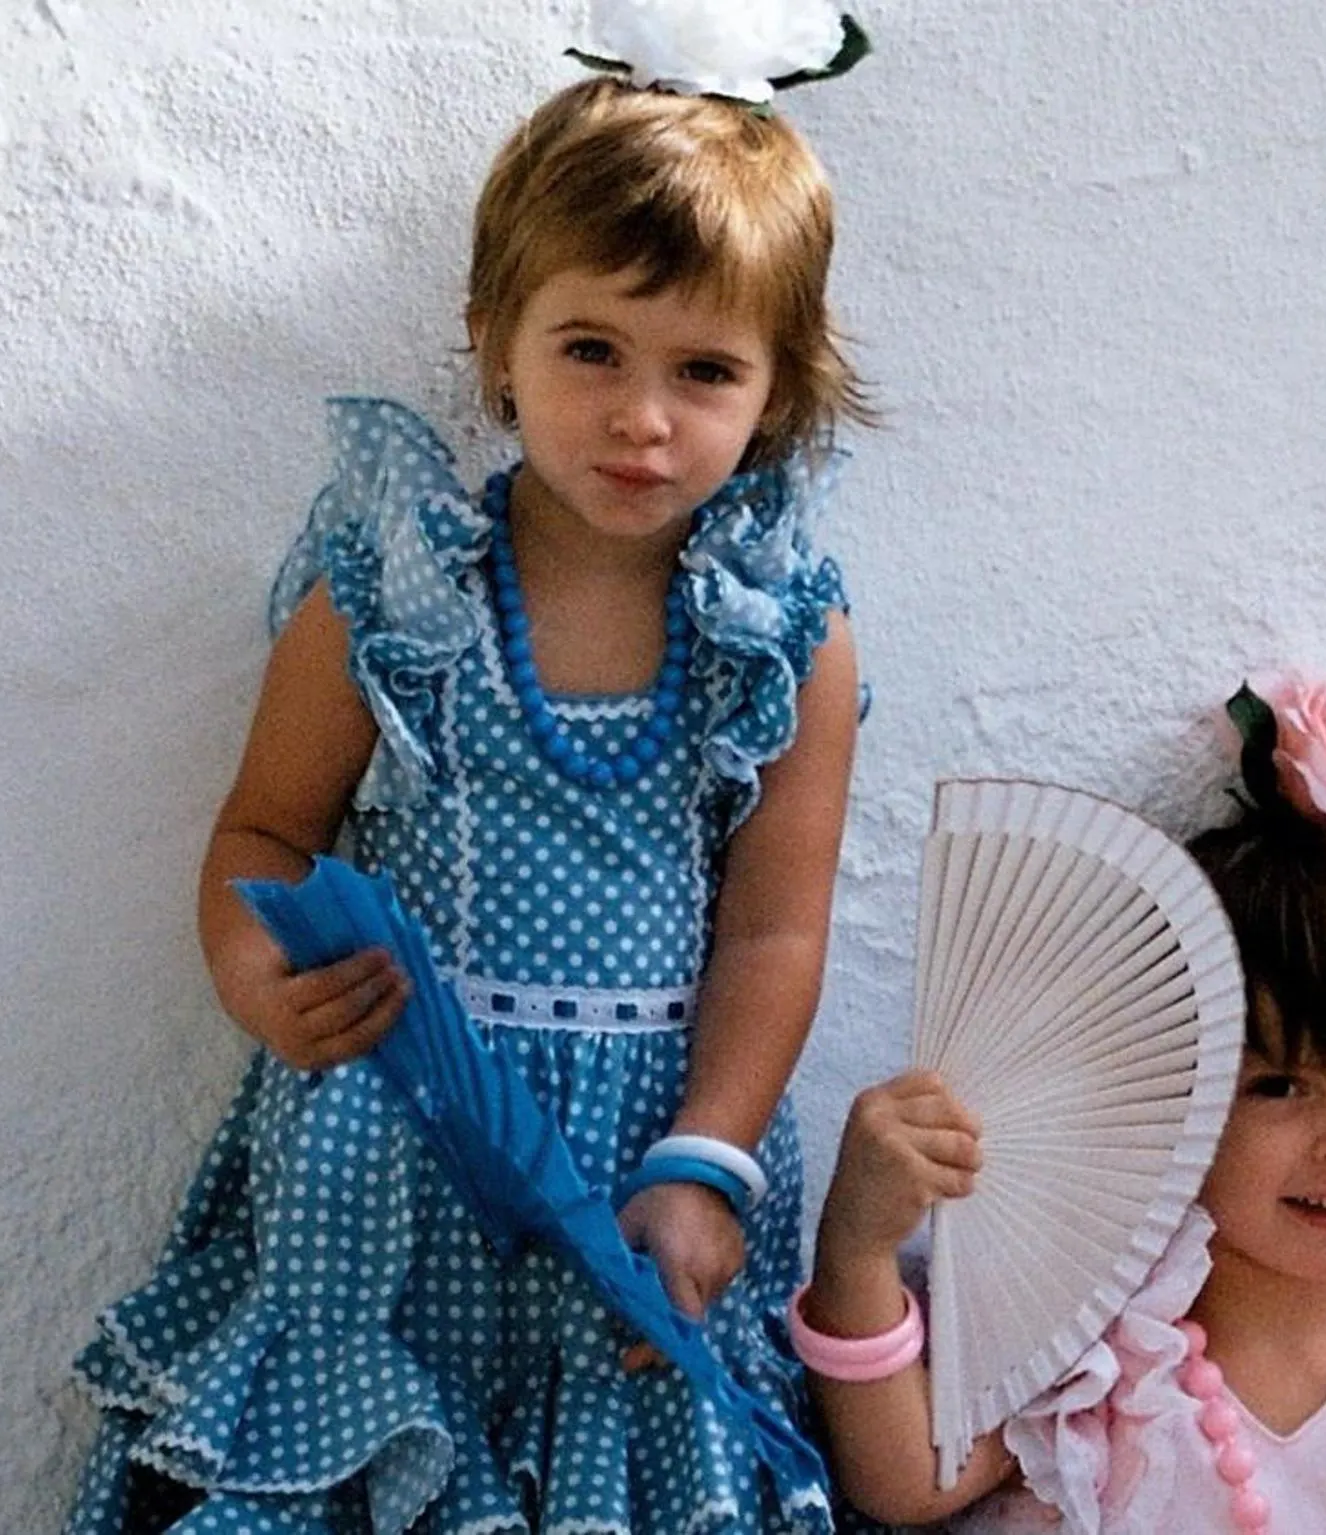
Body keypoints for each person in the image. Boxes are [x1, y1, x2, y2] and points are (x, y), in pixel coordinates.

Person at [61, 17, 871, 1531]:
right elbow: (267, 823)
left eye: (705, 368)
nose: (643, 416)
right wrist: (255, 971)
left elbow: (775, 927)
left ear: (779, 387)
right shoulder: (397, 584)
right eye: (591, 350)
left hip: (633, 1177)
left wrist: (709, 1159)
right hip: (391, 1141)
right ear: (495, 334)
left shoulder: (778, 632)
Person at [795, 678, 1326, 1534]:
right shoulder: (1099, 1366)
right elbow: (902, 1479)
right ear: (1174, 1103)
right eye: (1277, 1086)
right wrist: (857, 1245)